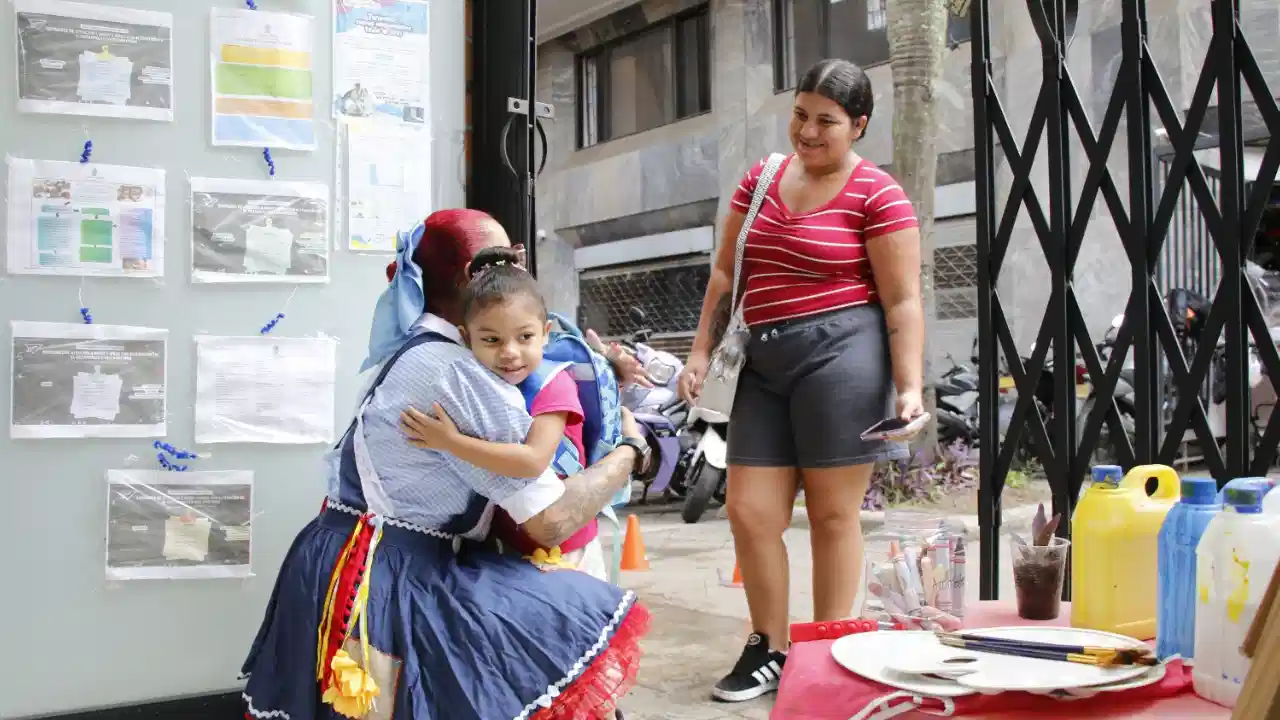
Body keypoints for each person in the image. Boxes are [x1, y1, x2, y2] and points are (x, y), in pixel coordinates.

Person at [241, 209, 650, 720]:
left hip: (339, 556)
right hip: (387, 576)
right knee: (572, 617)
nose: (516, 272)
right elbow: (550, 521)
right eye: (503, 261)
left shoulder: (412, 349)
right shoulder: (457, 374)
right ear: (472, 278)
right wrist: (631, 452)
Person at [678, 58, 925, 703]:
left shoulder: (878, 194)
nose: (808, 131)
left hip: (842, 357)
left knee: (832, 514)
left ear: (858, 127)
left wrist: (909, 387)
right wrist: (700, 352)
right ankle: (768, 645)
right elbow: (726, 276)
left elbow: (902, 302)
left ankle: (826, 650)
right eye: (800, 114)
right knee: (750, 510)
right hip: (760, 360)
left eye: (826, 121)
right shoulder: (759, 179)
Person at [398, 245, 609, 579]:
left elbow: (533, 460)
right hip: (506, 550)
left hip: (566, 554)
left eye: (525, 337)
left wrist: (450, 442)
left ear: (546, 333)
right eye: (492, 340)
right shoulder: (481, 386)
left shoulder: (553, 385)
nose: (510, 353)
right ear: (467, 340)